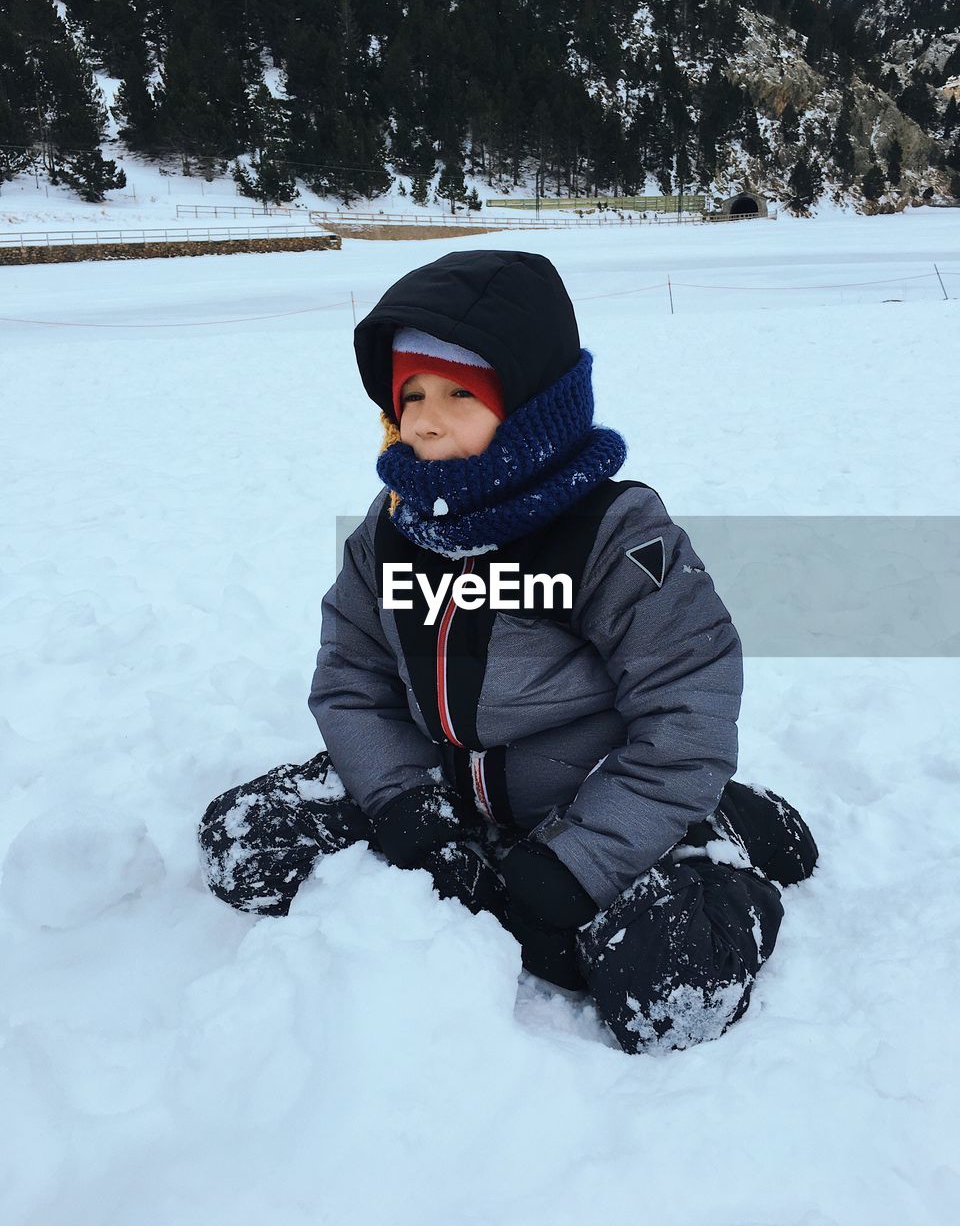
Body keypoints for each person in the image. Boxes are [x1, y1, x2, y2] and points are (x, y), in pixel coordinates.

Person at [198, 249, 818, 1054]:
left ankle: (730, 832)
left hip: (590, 801)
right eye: (411, 393)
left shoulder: (613, 537)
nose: (423, 417)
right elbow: (352, 679)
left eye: (460, 393)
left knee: (663, 988)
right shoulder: (389, 534)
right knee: (244, 842)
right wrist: (400, 802)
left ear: (531, 406)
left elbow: (686, 710)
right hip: (446, 786)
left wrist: (577, 866)